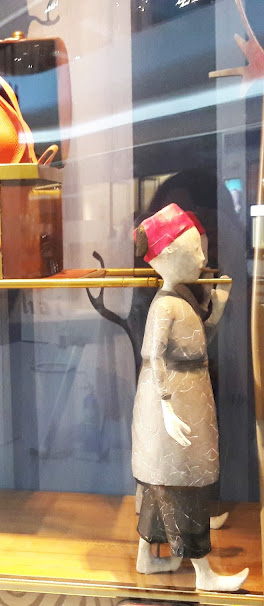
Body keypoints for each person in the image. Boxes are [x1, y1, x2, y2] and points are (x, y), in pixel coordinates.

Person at [131, 204, 247, 592]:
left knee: (167, 478)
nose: (202, 258)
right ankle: (203, 572)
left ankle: (147, 556)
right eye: (194, 250)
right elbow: (153, 356)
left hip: (188, 395)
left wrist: (218, 308)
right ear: (167, 254)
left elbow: (198, 345)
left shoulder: (180, 300)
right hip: (173, 401)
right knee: (179, 480)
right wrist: (166, 406)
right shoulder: (165, 305)